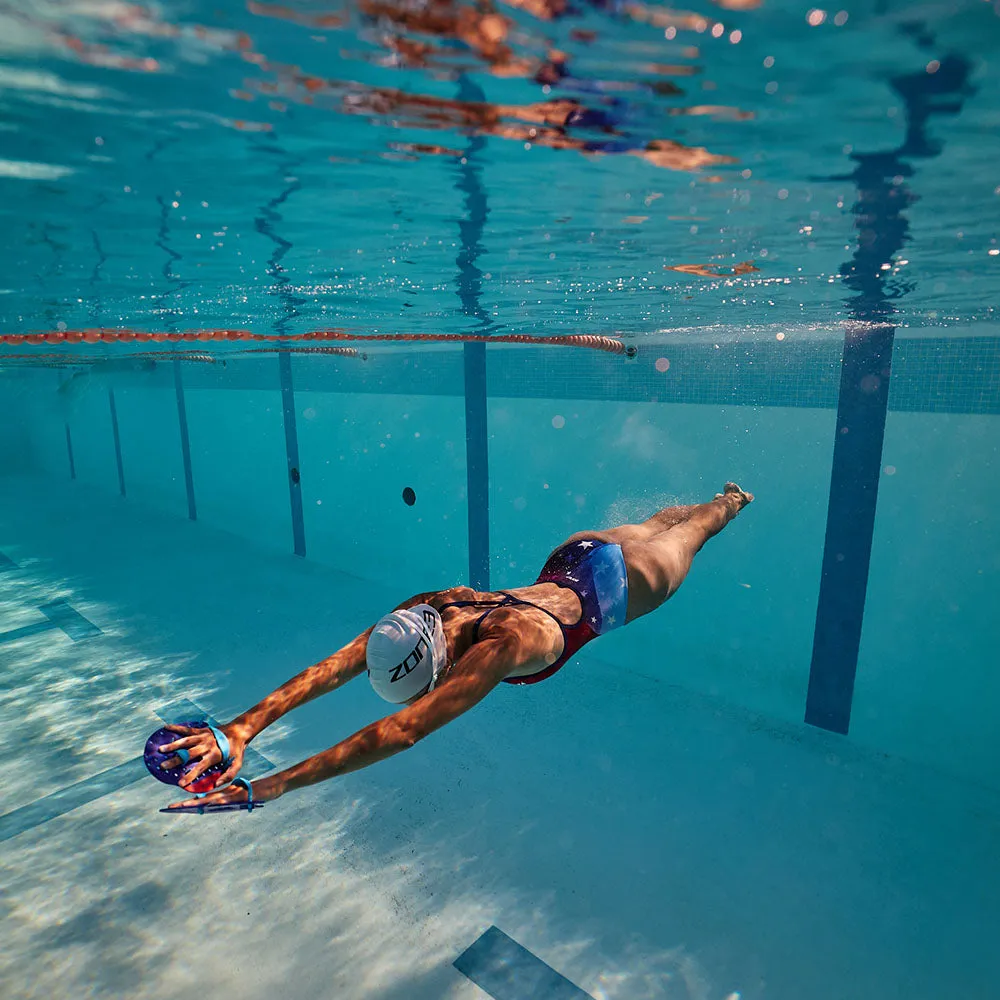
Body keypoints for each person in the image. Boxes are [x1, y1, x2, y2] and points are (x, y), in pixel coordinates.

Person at [160, 483, 753, 811]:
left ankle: (729, 502)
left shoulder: (502, 645)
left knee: (694, 531)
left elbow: (403, 731)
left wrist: (270, 786)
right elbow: (332, 667)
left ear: (439, 669)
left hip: (621, 588)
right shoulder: (429, 609)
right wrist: (240, 728)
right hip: (576, 555)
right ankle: (711, 501)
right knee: (657, 524)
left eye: (429, 688)